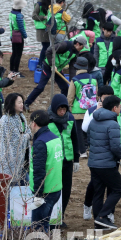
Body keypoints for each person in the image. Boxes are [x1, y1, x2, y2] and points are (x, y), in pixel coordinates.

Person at [81, 86, 121, 219]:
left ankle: (100, 220)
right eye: (119, 107)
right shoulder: (105, 119)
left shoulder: (100, 119)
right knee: (115, 189)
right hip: (106, 162)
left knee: (100, 191)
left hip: (97, 160)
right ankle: (102, 215)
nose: (120, 109)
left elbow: (89, 139)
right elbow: (115, 146)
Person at [47, 94, 82, 225]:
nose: (62, 112)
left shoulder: (70, 119)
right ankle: (51, 217)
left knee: (66, 190)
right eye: (60, 109)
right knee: (54, 190)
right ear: (54, 108)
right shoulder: (47, 120)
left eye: (64, 109)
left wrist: (76, 159)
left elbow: (74, 139)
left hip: (67, 161)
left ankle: (60, 217)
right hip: (53, 162)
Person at [28, 110, 63, 231]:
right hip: (55, 189)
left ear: (34, 123)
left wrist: (38, 194)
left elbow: (39, 170)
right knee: (45, 224)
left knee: (38, 228)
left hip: (44, 193)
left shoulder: (40, 143)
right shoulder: (55, 138)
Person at [25, 36, 84, 108]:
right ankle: (27, 103)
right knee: (40, 87)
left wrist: (73, 81)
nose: (82, 49)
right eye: (82, 46)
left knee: (65, 88)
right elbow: (48, 51)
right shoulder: (65, 45)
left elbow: (72, 68)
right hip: (48, 66)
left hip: (58, 69)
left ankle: (63, 105)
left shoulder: (76, 53)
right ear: (78, 44)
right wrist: (52, 65)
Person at [0, 93, 31, 184]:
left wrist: (26, 135)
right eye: (19, 102)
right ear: (12, 104)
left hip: (23, 159)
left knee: (26, 185)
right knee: (12, 187)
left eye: (22, 102)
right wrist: (27, 136)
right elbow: (15, 140)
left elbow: (28, 131)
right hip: (10, 160)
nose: (22, 105)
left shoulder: (21, 117)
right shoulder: (6, 120)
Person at [67, 57, 95, 153]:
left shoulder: (74, 80)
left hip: (77, 110)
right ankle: (90, 148)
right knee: (90, 130)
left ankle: (82, 151)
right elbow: (96, 95)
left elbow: (70, 97)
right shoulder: (93, 79)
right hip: (91, 110)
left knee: (79, 130)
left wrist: (69, 107)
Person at [32, 0, 52, 67]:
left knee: (47, 46)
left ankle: (43, 62)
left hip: (47, 28)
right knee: (45, 46)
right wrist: (44, 17)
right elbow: (34, 16)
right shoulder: (39, 4)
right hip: (41, 29)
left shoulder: (49, 4)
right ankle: (40, 63)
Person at [9, 0, 28, 75]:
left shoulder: (11, 13)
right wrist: (25, 36)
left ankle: (11, 70)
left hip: (12, 35)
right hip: (18, 37)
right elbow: (21, 27)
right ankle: (16, 71)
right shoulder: (19, 16)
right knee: (18, 54)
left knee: (14, 53)